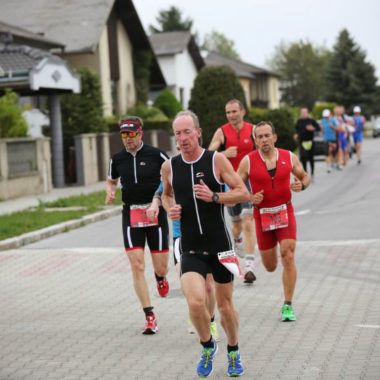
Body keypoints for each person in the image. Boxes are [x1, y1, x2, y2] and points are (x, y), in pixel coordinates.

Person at [161, 110, 249, 377]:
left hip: (220, 246)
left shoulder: (216, 160)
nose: (183, 138)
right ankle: (207, 346)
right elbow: (166, 195)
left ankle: (233, 351)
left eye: (187, 132)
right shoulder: (170, 167)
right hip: (190, 247)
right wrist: (169, 209)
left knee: (224, 307)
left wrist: (214, 197)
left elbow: (242, 192)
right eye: (178, 133)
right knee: (196, 303)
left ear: (198, 133)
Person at [238, 121, 310, 322]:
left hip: (285, 211)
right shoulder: (248, 161)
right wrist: (250, 197)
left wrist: (301, 186)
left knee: (288, 255)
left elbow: (305, 177)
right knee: (270, 266)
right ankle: (273, 262)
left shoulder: (288, 156)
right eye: (259, 137)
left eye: (267, 135)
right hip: (262, 216)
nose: (264, 140)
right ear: (255, 140)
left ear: (274, 137)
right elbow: (235, 186)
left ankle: (288, 305)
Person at [106, 116, 170, 335]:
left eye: (131, 134)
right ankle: (149, 315)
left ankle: (160, 277)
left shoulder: (157, 154)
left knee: (160, 266)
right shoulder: (117, 159)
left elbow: (168, 178)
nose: (127, 139)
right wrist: (111, 190)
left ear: (140, 134)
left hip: (155, 212)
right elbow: (111, 179)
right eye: (124, 135)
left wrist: (161, 199)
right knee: (136, 265)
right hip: (131, 213)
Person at [148, 176, 220, 341]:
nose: (182, 150)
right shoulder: (173, 169)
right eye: (179, 148)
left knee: (208, 287)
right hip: (182, 236)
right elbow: (160, 193)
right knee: (187, 283)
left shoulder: (206, 167)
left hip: (206, 235)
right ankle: (195, 311)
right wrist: (155, 205)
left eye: (184, 147)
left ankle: (211, 321)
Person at [208, 99, 257, 283]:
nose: (231, 115)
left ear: (242, 112)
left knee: (248, 220)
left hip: (248, 181)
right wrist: (222, 153)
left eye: (234, 111)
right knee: (236, 224)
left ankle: (250, 267)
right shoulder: (222, 131)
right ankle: (237, 240)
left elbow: (263, 149)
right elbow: (209, 150)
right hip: (229, 183)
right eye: (228, 112)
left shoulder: (252, 130)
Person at [294, 108, 320, 180]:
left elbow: (318, 128)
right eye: (302, 112)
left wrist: (313, 128)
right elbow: (296, 130)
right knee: (303, 157)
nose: (303, 114)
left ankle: (312, 173)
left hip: (310, 142)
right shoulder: (299, 121)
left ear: (308, 113)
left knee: (311, 158)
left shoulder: (311, 121)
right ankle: (305, 173)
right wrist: (296, 135)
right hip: (302, 142)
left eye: (305, 112)